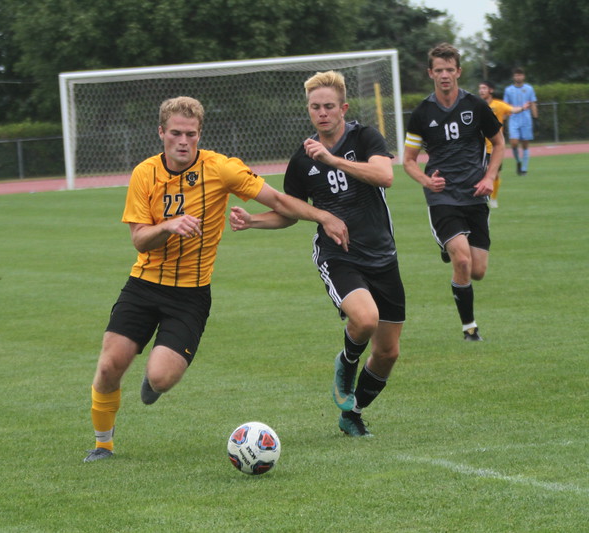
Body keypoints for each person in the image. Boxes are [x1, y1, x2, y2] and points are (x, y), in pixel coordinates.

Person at [85, 96, 350, 462]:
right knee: (110, 363)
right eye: (175, 133)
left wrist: (323, 216)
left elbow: (277, 199)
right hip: (144, 285)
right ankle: (103, 445)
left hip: (190, 295)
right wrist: (169, 226)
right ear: (161, 133)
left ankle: (154, 379)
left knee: (161, 378)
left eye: (190, 134)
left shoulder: (221, 169)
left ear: (199, 135)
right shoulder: (144, 174)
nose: (183, 141)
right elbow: (139, 238)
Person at [228, 71, 403, 438]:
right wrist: (252, 222)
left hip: (383, 255)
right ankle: (346, 362)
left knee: (388, 354)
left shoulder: (364, 136)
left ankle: (352, 413)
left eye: (328, 107)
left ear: (343, 108)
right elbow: (289, 212)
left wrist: (332, 159)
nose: (321, 113)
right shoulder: (302, 159)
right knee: (365, 319)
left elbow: (385, 176)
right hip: (338, 255)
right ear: (308, 110)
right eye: (314, 107)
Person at [403, 43, 504, 341]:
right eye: (439, 70)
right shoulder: (422, 113)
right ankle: (469, 328)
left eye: (449, 69)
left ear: (458, 71)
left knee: (477, 271)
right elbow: (408, 161)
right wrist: (426, 181)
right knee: (461, 260)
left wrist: (490, 177)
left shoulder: (475, 105)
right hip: (442, 197)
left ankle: (451, 245)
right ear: (430, 73)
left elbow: (498, 144)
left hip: (474, 194)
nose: (444, 75)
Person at [478, 80, 528, 207]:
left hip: (495, 147)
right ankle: (480, 198)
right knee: (478, 174)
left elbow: (512, 109)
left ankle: (493, 199)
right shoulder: (476, 105)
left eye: (484, 88)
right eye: (480, 88)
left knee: (494, 175)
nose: (481, 91)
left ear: (491, 90)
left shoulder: (499, 105)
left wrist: (522, 108)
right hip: (478, 148)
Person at [503, 67, 538, 176]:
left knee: (525, 145)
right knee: (513, 143)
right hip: (514, 119)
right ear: (514, 77)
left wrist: (536, 118)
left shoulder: (529, 88)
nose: (518, 77)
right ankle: (518, 161)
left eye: (520, 75)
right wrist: (503, 120)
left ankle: (524, 168)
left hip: (526, 120)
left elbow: (533, 103)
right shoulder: (508, 90)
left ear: (523, 76)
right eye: (516, 75)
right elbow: (505, 106)